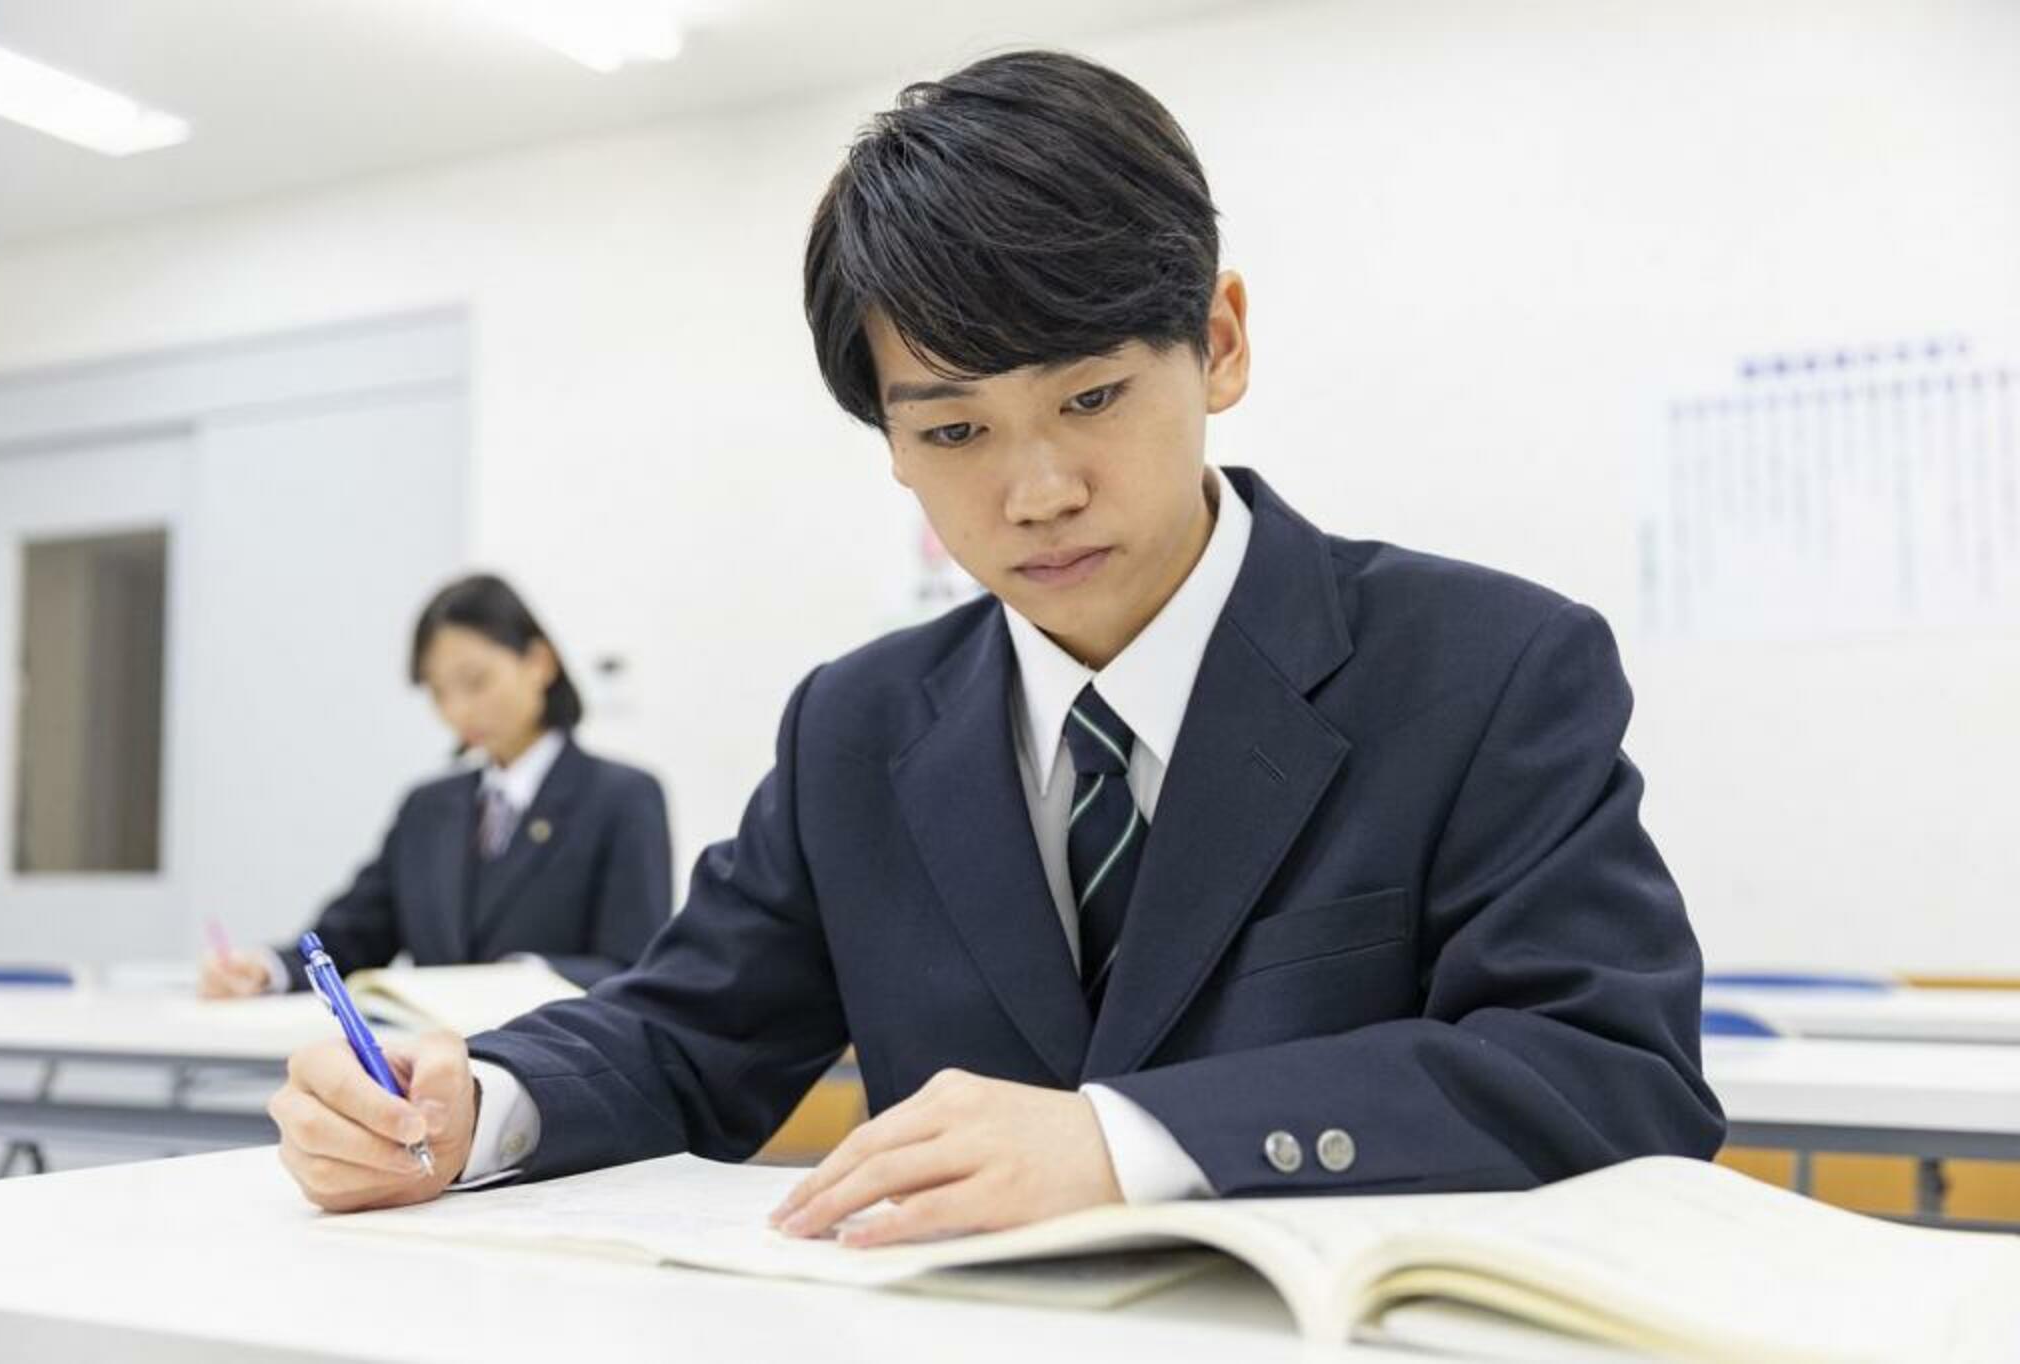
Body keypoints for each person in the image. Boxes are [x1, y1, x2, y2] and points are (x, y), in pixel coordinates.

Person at [266, 51, 1723, 1236]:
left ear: (1217, 341)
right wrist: (475, 1108)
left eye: (1090, 399)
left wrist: (1125, 1143)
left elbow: (1606, 1075)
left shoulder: (1484, 668)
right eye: (954, 429)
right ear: (891, 444)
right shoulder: (860, 726)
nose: (1036, 492)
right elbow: (685, 1031)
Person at [200, 573, 671, 996]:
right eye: (438, 692)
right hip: (427, 1077)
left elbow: (633, 969)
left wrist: (524, 979)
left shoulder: (621, 797)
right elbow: (352, 937)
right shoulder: (428, 808)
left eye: (476, 681)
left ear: (539, 663)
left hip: (555, 1072)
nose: (458, 711)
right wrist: (268, 969)